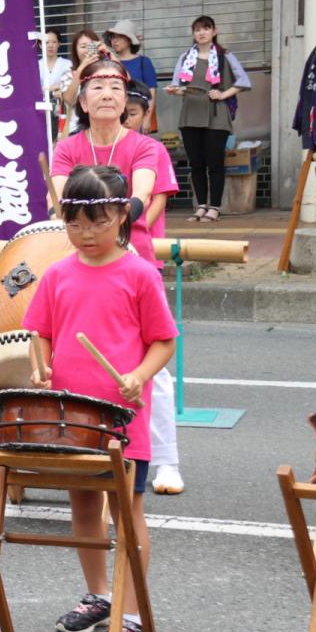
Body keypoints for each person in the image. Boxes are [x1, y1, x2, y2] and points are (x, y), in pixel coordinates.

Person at [23, 165, 177, 632]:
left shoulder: (138, 273)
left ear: (122, 217)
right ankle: (99, 595)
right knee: (83, 505)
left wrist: (139, 375)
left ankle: (133, 615)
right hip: (71, 417)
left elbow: (163, 341)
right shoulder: (57, 274)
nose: (85, 233)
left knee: (127, 515)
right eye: (75, 222)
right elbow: (40, 332)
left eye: (99, 221)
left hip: (121, 419)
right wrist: (40, 366)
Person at [124, 81, 183, 495]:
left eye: (132, 111)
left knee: (154, 367)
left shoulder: (150, 149)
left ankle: (165, 460)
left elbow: (155, 200)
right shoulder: (78, 146)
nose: (125, 116)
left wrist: (125, 227)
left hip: (140, 258)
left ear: (145, 114)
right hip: (93, 261)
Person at [50, 59, 157, 262]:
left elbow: (143, 194)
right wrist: (57, 216)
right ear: (83, 102)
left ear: (125, 101)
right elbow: (55, 196)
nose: (107, 95)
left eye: (115, 88)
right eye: (98, 87)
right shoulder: (66, 147)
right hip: (77, 250)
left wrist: (109, 225)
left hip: (131, 247)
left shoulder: (144, 146)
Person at [165, 15, 252, 223]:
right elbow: (177, 85)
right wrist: (173, 91)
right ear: (193, 33)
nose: (201, 33)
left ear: (214, 31)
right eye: (197, 29)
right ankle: (201, 206)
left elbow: (244, 81)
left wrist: (223, 94)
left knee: (215, 164)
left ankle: (215, 207)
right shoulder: (186, 57)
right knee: (196, 164)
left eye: (206, 28)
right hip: (190, 115)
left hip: (216, 115)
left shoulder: (225, 56)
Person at [59, 28, 113, 135]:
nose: (87, 50)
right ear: (76, 50)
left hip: (107, 126)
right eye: (83, 46)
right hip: (78, 129)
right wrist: (81, 69)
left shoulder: (106, 69)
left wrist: (109, 53)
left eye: (91, 46)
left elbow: (127, 78)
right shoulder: (69, 74)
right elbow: (69, 100)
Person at [104, 20, 157, 114]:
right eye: (112, 37)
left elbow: (151, 92)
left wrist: (147, 118)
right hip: (115, 113)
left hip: (139, 113)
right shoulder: (108, 62)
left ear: (129, 40)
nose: (114, 41)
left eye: (119, 37)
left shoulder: (143, 62)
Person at [39, 29, 72, 140]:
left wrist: (59, 88)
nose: (50, 46)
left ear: (59, 44)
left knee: (61, 140)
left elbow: (70, 87)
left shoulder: (67, 64)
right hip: (42, 112)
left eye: (54, 42)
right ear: (40, 45)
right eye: (46, 42)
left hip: (62, 109)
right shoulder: (36, 66)